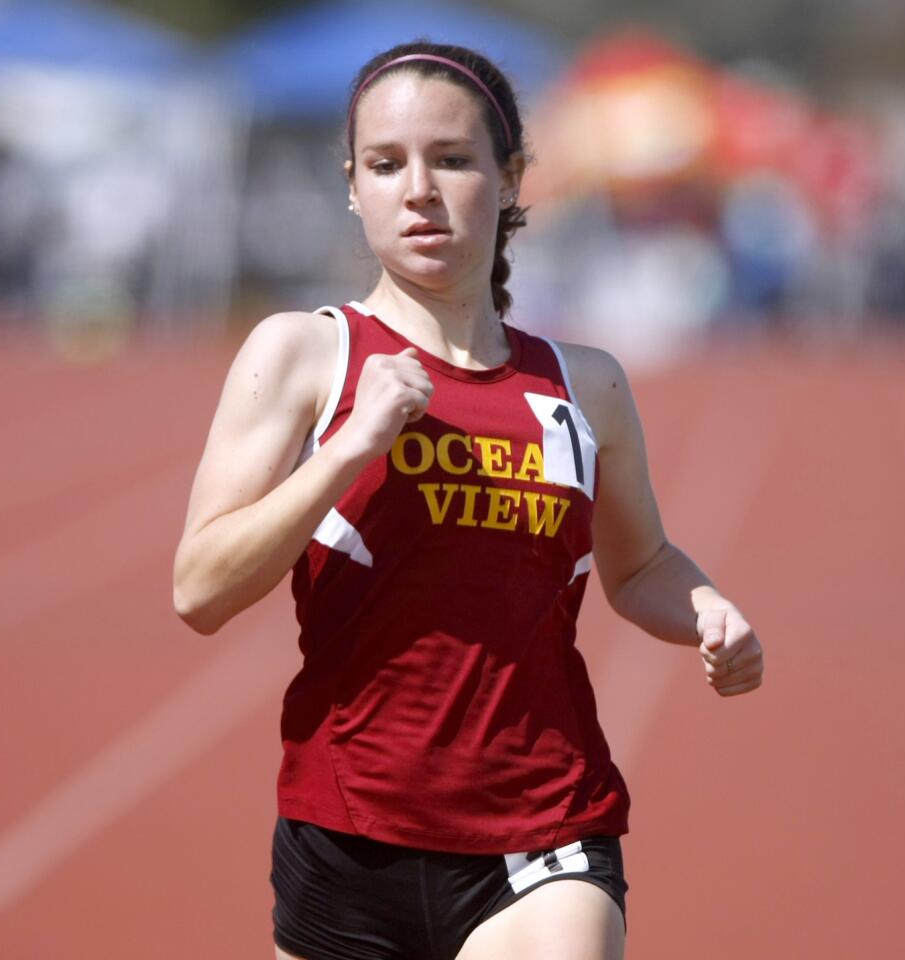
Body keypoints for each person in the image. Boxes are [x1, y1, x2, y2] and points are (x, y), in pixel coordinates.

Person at [172, 40, 764, 960]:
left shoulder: (585, 384)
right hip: (346, 834)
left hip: (542, 826)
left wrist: (706, 608)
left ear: (512, 176)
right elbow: (200, 590)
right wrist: (352, 445)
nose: (417, 189)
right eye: (385, 164)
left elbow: (639, 563)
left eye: (450, 159)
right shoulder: (303, 355)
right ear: (353, 185)